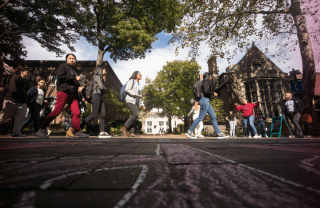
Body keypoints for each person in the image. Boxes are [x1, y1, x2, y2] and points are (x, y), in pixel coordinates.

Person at [37, 53, 88, 138]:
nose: (72, 60)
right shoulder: (63, 66)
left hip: (73, 93)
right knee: (56, 111)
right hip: (64, 91)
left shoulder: (76, 71)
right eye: (70, 58)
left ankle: (77, 131)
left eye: (74, 58)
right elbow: (60, 77)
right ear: (66, 60)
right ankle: (41, 129)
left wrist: (79, 84)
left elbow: (75, 82)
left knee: (76, 112)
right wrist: (75, 78)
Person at [186, 72, 228, 139]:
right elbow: (206, 91)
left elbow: (206, 93)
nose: (211, 78)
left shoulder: (204, 83)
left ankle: (218, 133)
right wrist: (213, 93)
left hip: (207, 100)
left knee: (213, 116)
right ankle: (189, 131)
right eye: (210, 77)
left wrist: (211, 95)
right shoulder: (205, 83)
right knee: (200, 117)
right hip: (204, 100)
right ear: (209, 76)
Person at [80, 65, 111, 138]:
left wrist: (103, 89)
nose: (105, 71)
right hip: (96, 95)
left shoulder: (101, 79)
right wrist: (103, 88)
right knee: (94, 115)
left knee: (103, 114)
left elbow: (103, 89)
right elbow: (103, 88)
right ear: (100, 70)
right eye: (104, 70)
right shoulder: (97, 77)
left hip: (100, 96)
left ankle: (102, 132)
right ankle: (79, 128)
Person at [0, 67, 30, 137]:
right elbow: (12, 88)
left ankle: (16, 132)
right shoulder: (15, 77)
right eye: (27, 72)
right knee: (3, 116)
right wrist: (17, 98)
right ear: (22, 72)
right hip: (12, 100)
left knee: (21, 116)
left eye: (29, 72)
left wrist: (24, 99)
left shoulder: (25, 81)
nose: (28, 73)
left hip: (21, 101)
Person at [120, 71, 145, 137]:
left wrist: (142, 104)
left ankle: (131, 132)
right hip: (129, 100)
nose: (141, 76)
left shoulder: (138, 85)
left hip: (135, 102)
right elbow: (127, 89)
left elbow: (140, 95)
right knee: (136, 114)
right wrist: (135, 94)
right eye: (139, 74)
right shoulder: (132, 81)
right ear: (136, 75)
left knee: (133, 116)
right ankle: (124, 127)